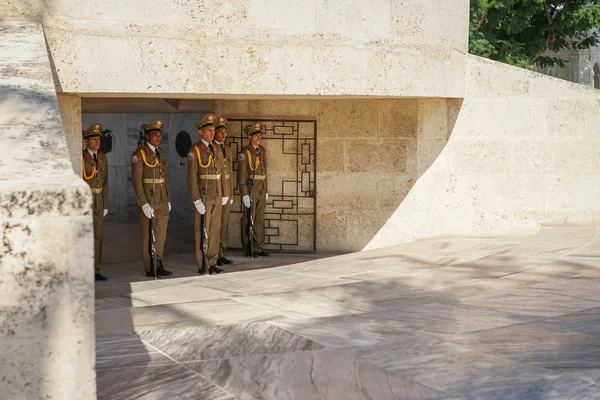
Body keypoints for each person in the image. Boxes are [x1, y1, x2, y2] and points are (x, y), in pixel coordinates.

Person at [130, 118, 173, 278]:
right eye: (155, 134)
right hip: (149, 199)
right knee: (148, 234)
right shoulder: (139, 154)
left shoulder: (160, 152)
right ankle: (150, 267)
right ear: (147, 136)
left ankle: (159, 261)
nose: (158, 137)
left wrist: (168, 199)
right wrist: (143, 203)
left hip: (161, 198)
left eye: (159, 135)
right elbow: (137, 181)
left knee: (161, 233)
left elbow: (165, 178)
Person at [187, 113, 226, 275]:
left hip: (216, 194)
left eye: (213, 130)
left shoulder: (216, 148)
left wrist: (223, 193)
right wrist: (196, 200)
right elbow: (192, 178)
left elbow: (220, 173)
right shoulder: (195, 150)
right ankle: (202, 263)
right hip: (204, 195)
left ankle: (213, 261)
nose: (211, 133)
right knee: (202, 230)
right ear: (201, 132)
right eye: (208, 130)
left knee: (215, 229)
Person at [238, 122, 270, 257]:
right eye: (256, 135)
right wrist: (244, 194)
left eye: (259, 134)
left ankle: (259, 246)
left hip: (261, 187)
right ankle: (248, 246)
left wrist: (266, 188)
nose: (259, 137)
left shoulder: (261, 150)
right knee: (249, 217)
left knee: (259, 219)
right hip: (251, 188)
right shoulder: (245, 152)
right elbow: (241, 175)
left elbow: (265, 171)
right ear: (249, 137)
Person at [82, 123, 108, 281]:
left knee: (98, 237)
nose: (97, 142)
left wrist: (105, 204)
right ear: (86, 141)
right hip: (87, 200)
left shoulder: (103, 157)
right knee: (85, 237)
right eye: (94, 139)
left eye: (99, 139)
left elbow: (106, 183)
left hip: (98, 200)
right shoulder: (81, 157)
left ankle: (96, 269)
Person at [213, 116, 234, 266]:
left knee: (224, 224)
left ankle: (221, 252)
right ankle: (214, 254)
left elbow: (230, 174)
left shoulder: (227, 149)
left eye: (225, 132)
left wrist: (230, 194)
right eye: (220, 132)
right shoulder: (211, 149)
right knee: (215, 225)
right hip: (217, 192)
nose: (223, 135)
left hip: (226, 192)